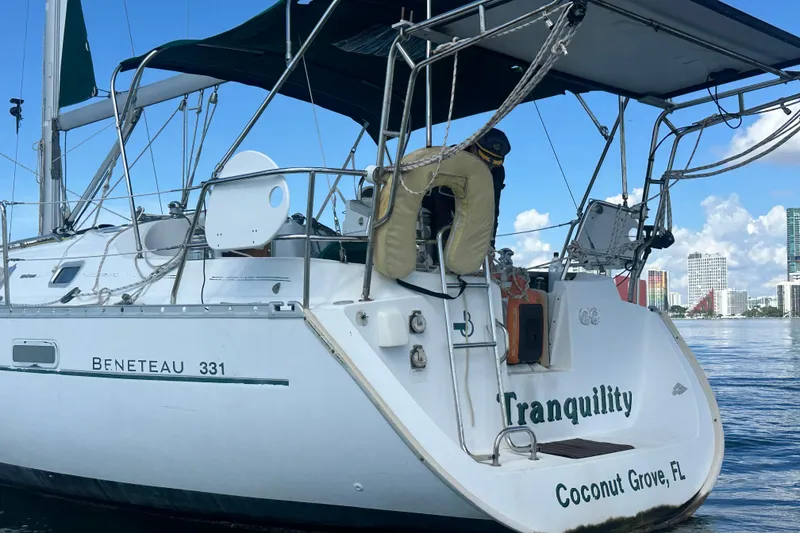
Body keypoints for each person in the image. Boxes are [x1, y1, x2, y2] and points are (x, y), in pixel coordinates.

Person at [421, 127, 511, 260]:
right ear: (473, 146)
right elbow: (441, 204)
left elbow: (492, 208)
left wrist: (489, 245)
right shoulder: (452, 158)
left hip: (465, 207)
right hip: (433, 203)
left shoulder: (497, 172)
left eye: (495, 162)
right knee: (436, 252)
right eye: (485, 158)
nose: (489, 165)